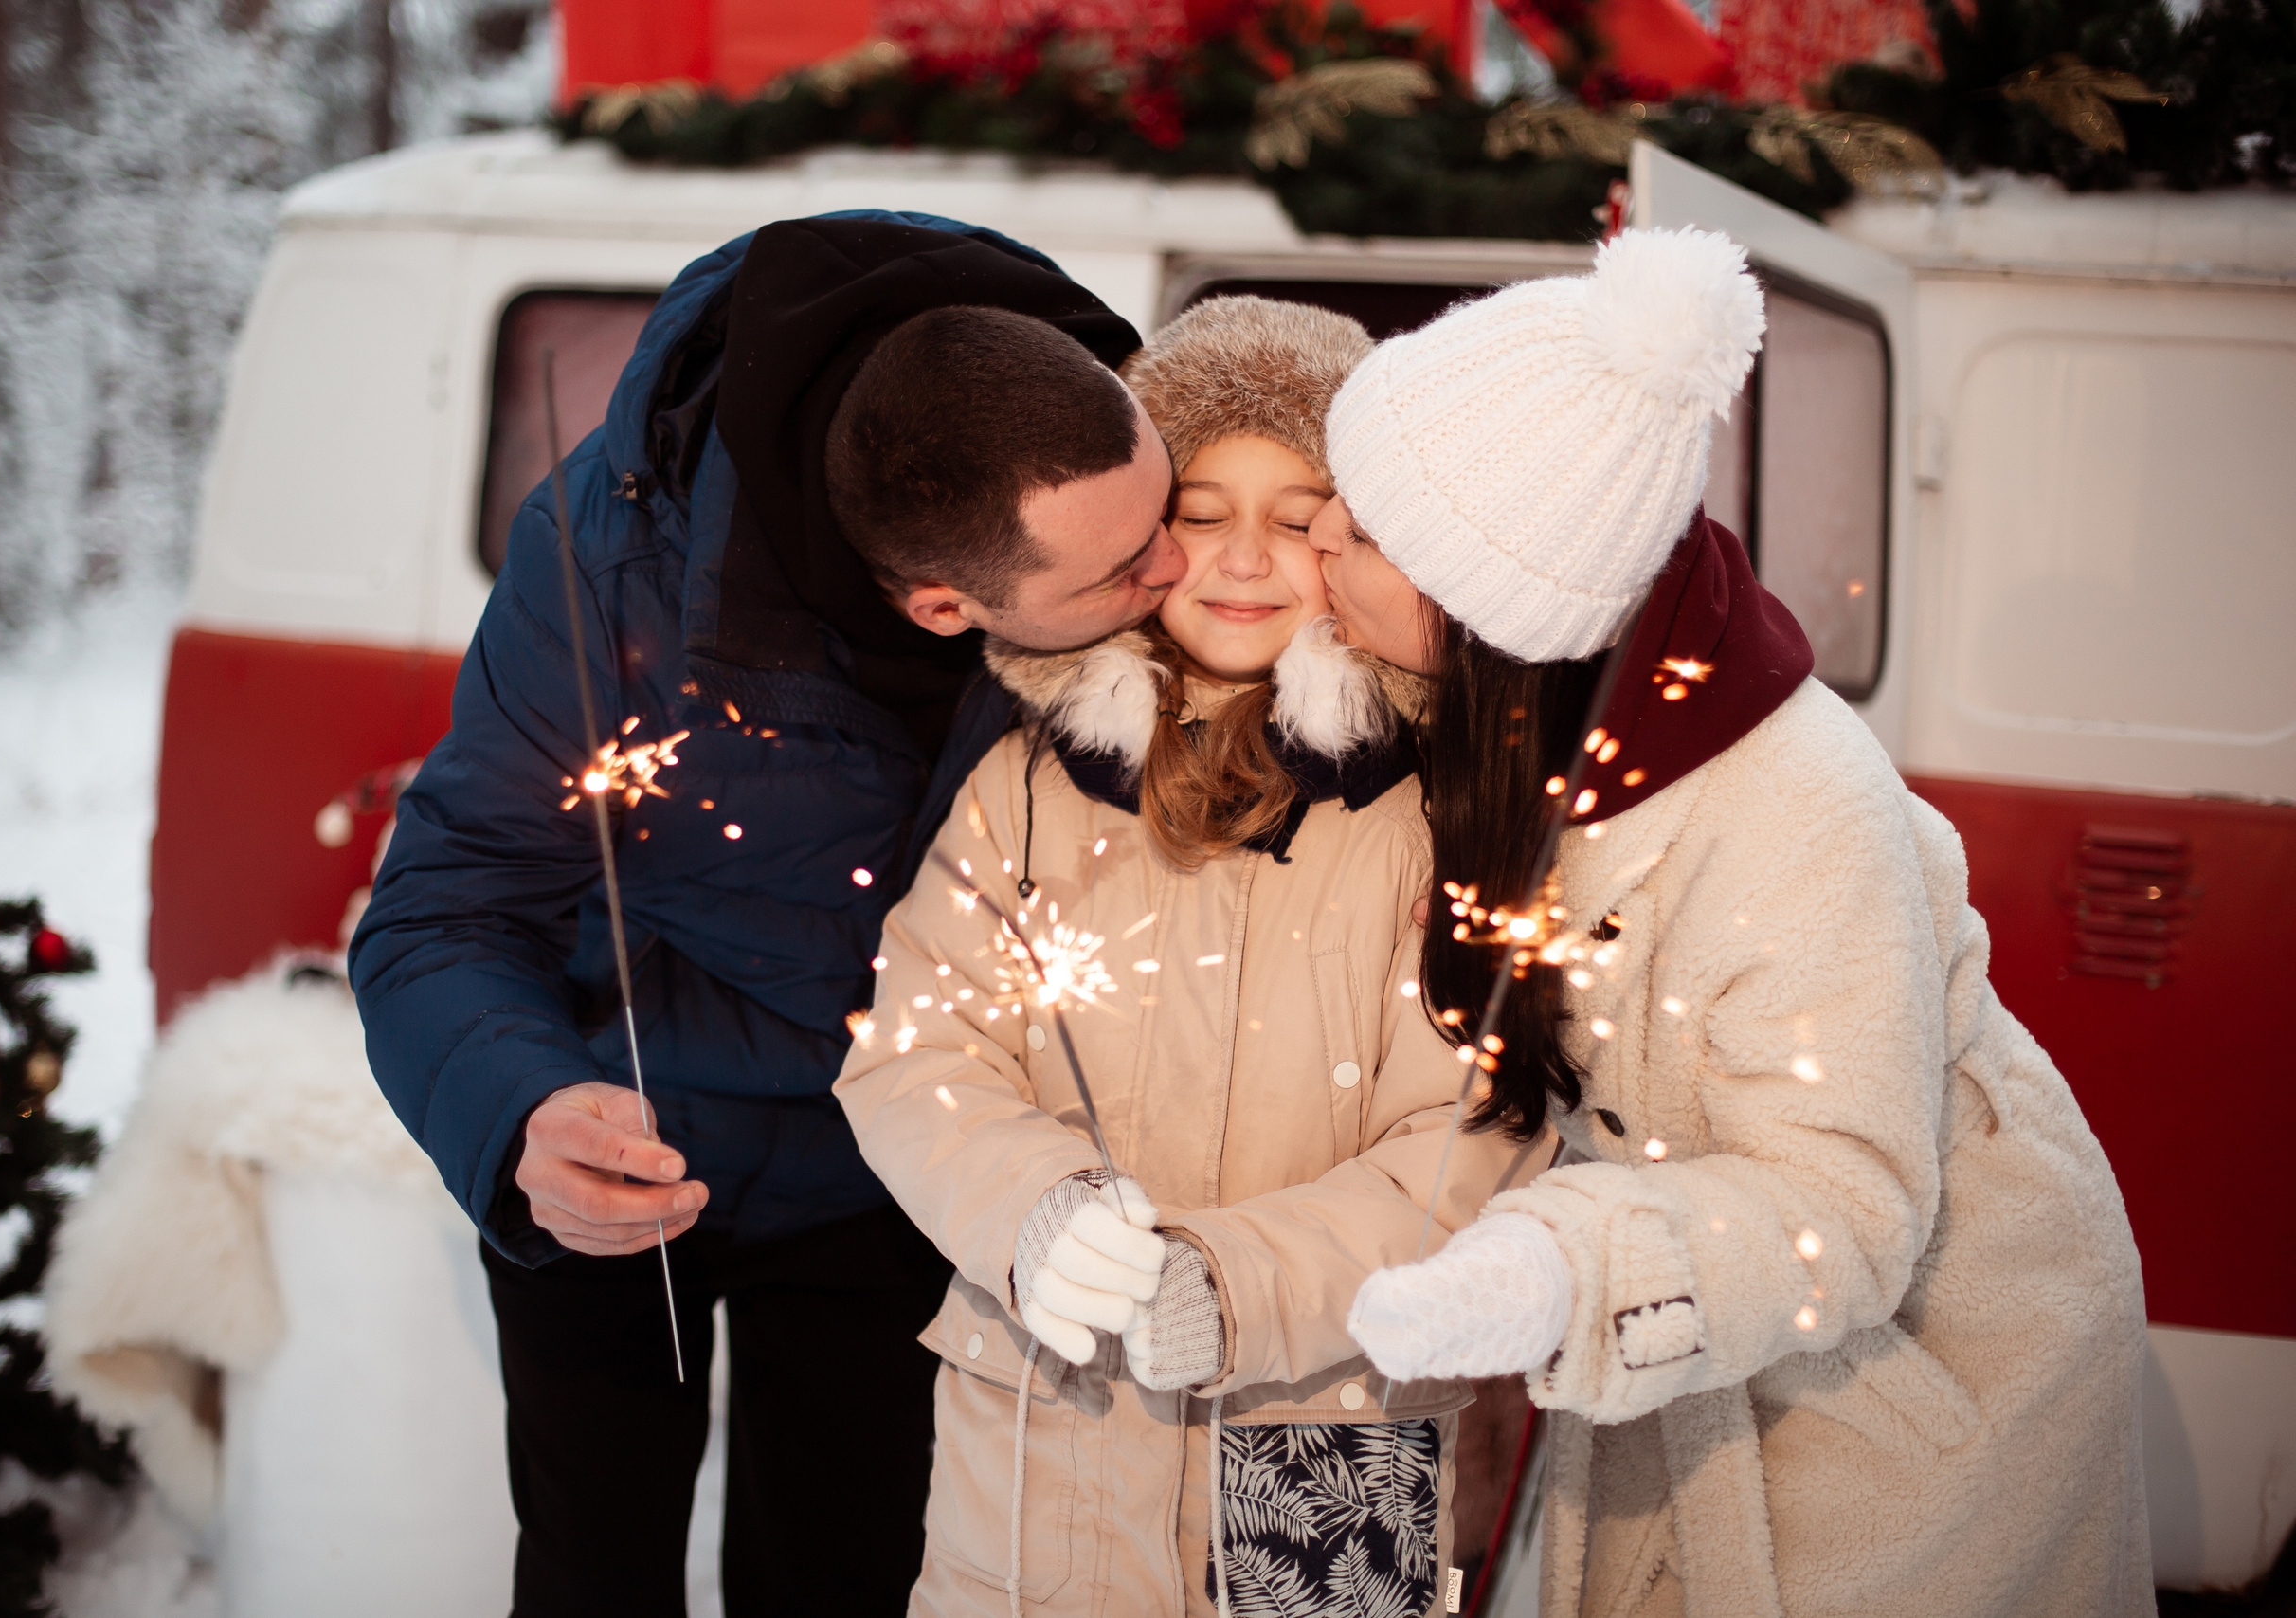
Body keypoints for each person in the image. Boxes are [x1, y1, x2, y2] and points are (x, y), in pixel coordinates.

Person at [348, 212, 1186, 1618]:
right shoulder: (605, 579)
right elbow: (444, 905)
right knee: (594, 1571)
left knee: (844, 1577)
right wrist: (524, 1119)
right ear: (938, 605)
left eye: (1166, 511)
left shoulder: (1095, 463)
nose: (1172, 573)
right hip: (627, 1150)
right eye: (1120, 570)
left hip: (896, 1170)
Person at [1318, 228, 2153, 1617]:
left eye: (1361, 530)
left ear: (1492, 608)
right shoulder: (1532, 712)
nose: (1314, 546)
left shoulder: (1793, 808)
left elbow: (1845, 1207)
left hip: (1895, 1401)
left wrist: (1557, 1268)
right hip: (1683, 1351)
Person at [833, 296, 1552, 1618]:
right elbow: (913, 1052)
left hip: (1335, 1427)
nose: (1242, 557)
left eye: (1299, 517)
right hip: (1049, 1431)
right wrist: (1030, 1208)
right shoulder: (1030, 790)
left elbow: (1471, 1144)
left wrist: (1233, 1286)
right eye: (1202, 509)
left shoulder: (1439, 817)